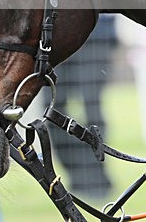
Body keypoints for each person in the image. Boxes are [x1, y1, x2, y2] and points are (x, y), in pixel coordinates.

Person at [45, 14, 116, 198]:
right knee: (52, 109)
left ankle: (96, 177)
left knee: (92, 106)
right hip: (55, 34)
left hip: (96, 31)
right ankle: (76, 175)